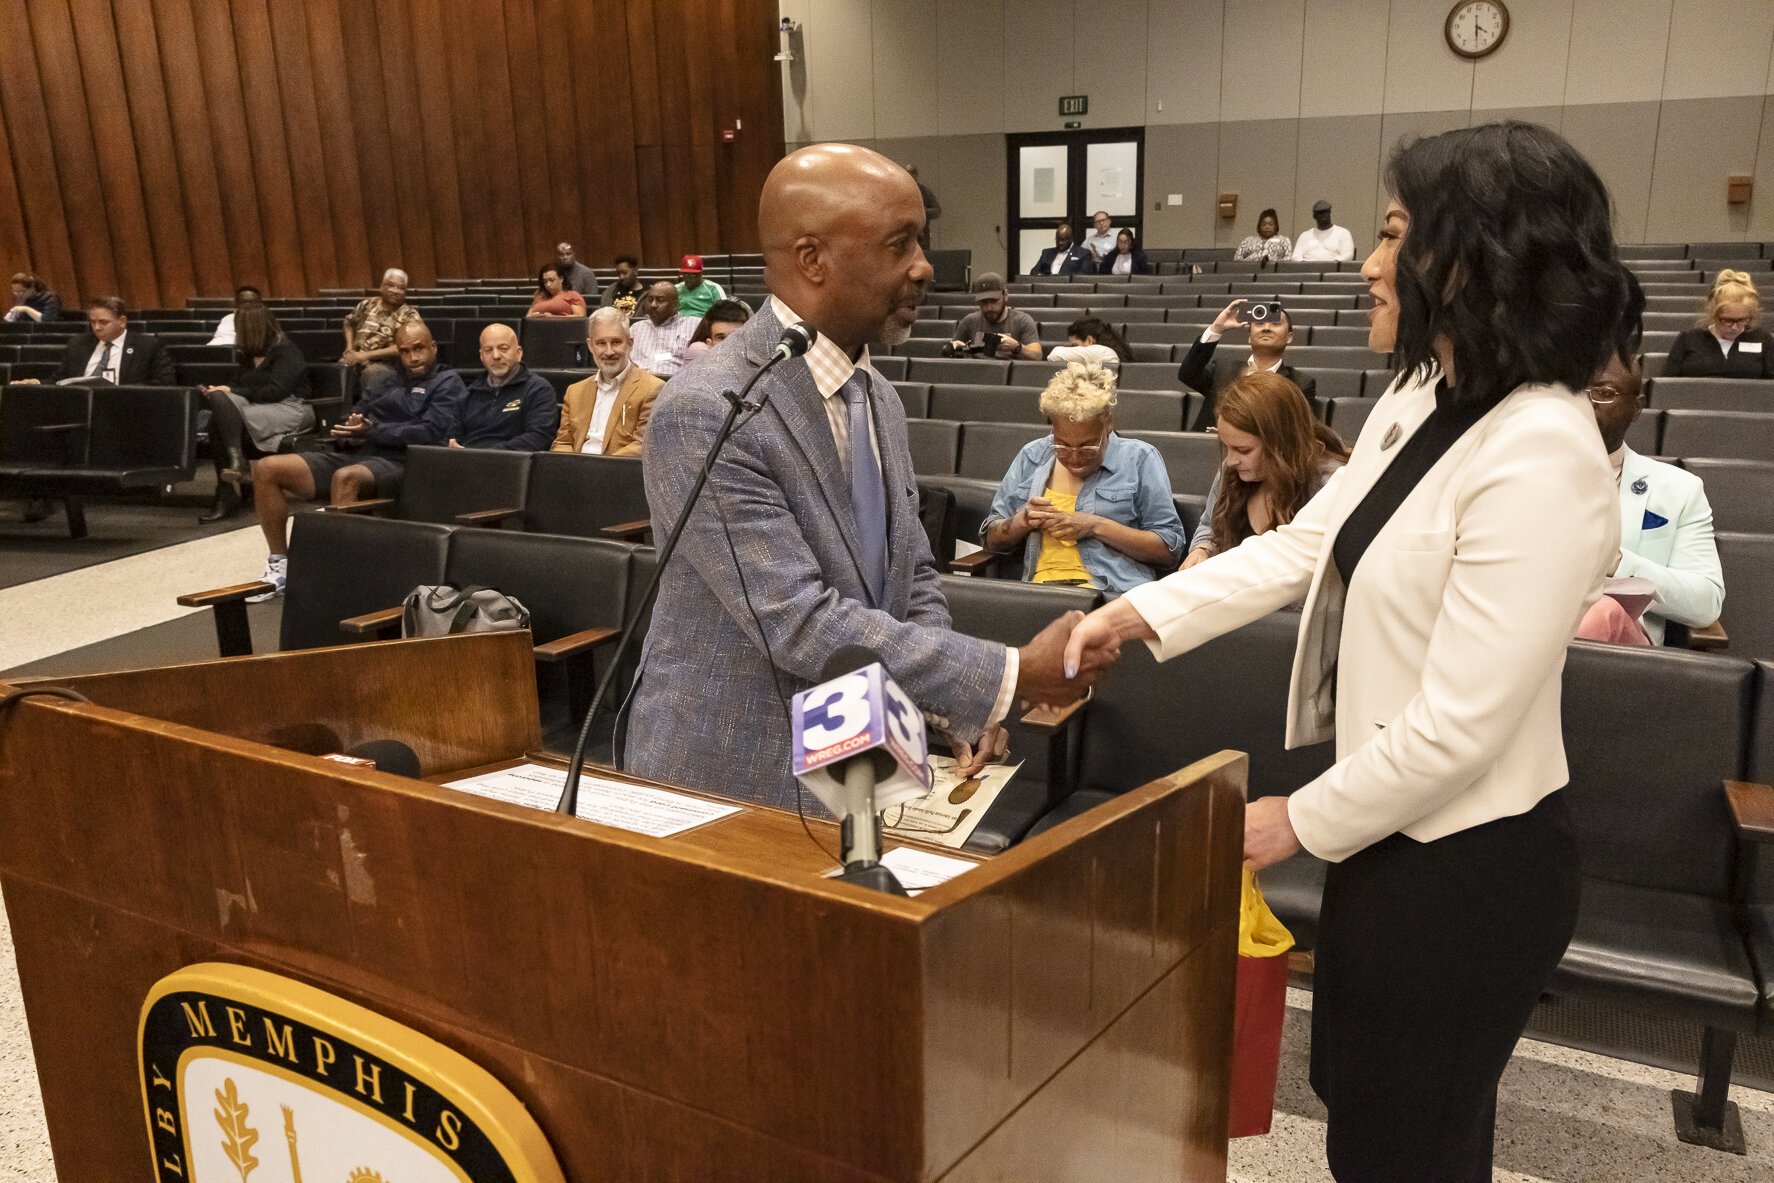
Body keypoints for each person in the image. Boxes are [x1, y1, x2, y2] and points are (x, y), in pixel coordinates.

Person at [1063, 122, 1631, 1180]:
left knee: (1403, 1141)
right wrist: (1135, 617)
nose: (1370, 264)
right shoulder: (1424, 395)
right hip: (1387, 831)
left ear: (1475, 261)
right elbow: (1308, 544)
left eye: (1395, 235)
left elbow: (1462, 722)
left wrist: (1294, 819)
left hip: (1470, 864)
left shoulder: (1542, 451)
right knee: (1375, 1114)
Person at [624, 143, 1102, 811]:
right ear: (812, 259)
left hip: (857, 761)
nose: (924, 266)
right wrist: (1006, 677)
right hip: (735, 777)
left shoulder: (876, 396)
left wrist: (951, 705)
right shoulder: (713, 408)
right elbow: (796, 621)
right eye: (899, 244)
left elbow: (912, 573)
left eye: (921, 242)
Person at [248, 322, 465, 600]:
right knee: (267, 468)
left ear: (433, 347)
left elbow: (433, 432)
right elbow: (359, 412)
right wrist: (349, 430)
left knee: (346, 477)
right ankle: (280, 564)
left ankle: (341, 576)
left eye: (419, 348)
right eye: (405, 351)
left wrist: (376, 431)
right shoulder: (385, 379)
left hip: (405, 462)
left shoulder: (447, 382)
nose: (413, 357)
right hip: (359, 452)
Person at [981, 362, 1186, 593]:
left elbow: (1169, 550)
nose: (1075, 458)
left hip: (1111, 593)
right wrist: (1022, 522)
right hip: (1039, 593)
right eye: (1062, 445)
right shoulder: (1032, 455)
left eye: (1087, 447)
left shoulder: (1139, 458)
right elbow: (991, 539)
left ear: (1108, 423)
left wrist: (1094, 526)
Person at [1578, 351, 1724, 646]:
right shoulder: (1517, 474)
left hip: (1616, 643)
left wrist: (1617, 561)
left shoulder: (1679, 489)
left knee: (1601, 612)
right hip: (1524, 621)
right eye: (1575, 391)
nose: (1585, 403)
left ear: (1636, 408)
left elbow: (1706, 603)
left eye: (1604, 393)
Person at [1180, 371, 1348, 571]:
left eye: (1244, 450)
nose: (1231, 461)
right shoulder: (1232, 469)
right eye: (1226, 447)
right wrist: (1203, 549)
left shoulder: (1328, 484)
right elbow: (1210, 527)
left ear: (1282, 443)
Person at [197, 303, 313, 523]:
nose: (237, 334)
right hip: (257, 406)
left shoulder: (287, 351)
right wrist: (221, 391)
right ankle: (235, 466)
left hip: (291, 407)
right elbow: (238, 384)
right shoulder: (248, 354)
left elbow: (276, 391)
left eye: (241, 328)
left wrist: (233, 392)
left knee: (220, 419)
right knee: (220, 402)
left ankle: (228, 490)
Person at [1177, 297, 1317, 419]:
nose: (1266, 328)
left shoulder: (1301, 384)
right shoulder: (1222, 369)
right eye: (1259, 323)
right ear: (1249, 337)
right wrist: (1216, 328)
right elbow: (1187, 375)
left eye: (1276, 324)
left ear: (1289, 337)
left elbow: (1299, 431)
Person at [552, 308, 662, 456]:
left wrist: (599, 467)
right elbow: (563, 443)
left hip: (617, 468)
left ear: (629, 344)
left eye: (616, 342)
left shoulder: (653, 389)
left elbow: (641, 445)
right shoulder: (574, 392)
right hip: (575, 467)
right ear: (590, 346)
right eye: (601, 343)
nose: (609, 352)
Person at [450, 324, 560, 451]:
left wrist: (487, 454)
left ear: (519, 353)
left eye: (503, 348)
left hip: (513, 461)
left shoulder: (538, 389)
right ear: (481, 356)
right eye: (488, 350)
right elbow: (453, 438)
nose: (496, 356)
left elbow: (540, 437)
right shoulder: (468, 394)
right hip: (468, 459)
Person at [1662, 270, 1774, 378]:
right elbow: (1669, 384)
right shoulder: (1688, 339)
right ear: (1713, 314)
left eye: (1742, 320)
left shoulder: (1763, 340)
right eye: (1727, 320)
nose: (1734, 327)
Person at [51, 297, 176, 385]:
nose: (96, 327)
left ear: (122, 322)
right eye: (93, 322)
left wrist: (122, 392)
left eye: (103, 322)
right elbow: (59, 379)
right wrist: (40, 383)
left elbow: (166, 382)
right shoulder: (78, 343)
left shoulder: (147, 346)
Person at [341, 269, 422, 397]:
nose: (395, 291)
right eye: (391, 285)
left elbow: (405, 347)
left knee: (373, 373)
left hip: (388, 366)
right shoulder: (367, 304)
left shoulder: (410, 315)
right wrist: (349, 347)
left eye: (401, 288)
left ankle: (368, 409)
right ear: (382, 286)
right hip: (356, 358)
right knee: (339, 370)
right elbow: (348, 323)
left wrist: (365, 355)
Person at [947, 274, 1043, 360]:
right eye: (984, 302)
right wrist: (954, 349)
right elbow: (952, 354)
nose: (989, 308)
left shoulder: (1022, 321)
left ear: (1005, 295)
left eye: (994, 301)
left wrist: (1017, 347)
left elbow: (1037, 355)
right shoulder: (969, 321)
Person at [629, 281, 698, 378]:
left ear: (675, 305)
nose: (653, 305)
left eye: (660, 300)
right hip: (640, 382)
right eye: (650, 300)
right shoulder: (636, 328)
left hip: (675, 382)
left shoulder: (693, 325)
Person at [1045, 317, 1130, 367]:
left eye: (1075, 345)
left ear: (1089, 340)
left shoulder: (1104, 352)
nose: (1074, 349)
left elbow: (1055, 355)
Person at [685, 299, 751, 359]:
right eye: (722, 338)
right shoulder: (699, 349)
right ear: (709, 343)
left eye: (736, 336)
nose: (730, 345)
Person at [1291, 201, 1355, 262]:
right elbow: (1295, 256)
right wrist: (1305, 264)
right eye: (1319, 213)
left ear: (1330, 213)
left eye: (1325, 212)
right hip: (1308, 268)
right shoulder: (1305, 235)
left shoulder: (1343, 233)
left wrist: (1333, 264)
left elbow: (1348, 255)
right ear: (1314, 216)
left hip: (1333, 268)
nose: (1323, 215)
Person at [675, 255, 728, 320]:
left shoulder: (713, 288)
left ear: (701, 273)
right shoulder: (675, 289)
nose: (688, 277)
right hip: (679, 322)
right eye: (685, 273)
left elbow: (724, 310)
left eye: (693, 274)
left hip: (703, 322)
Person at [907, 164, 941, 251]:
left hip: (922, 234)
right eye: (908, 173)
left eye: (912, 173)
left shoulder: (925, 191)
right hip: (904, 233)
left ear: (916, 175)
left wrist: (923, 211)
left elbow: (937, 211)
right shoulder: (899, 191)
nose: (910, 175)